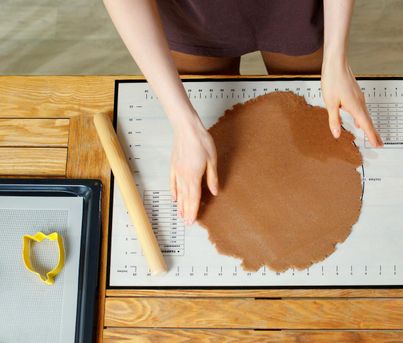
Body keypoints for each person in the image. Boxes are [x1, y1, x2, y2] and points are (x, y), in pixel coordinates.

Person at [103, 0, 383, 225]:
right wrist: (184, 124)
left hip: (293, 8)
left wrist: (336, 58)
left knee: (308, 122)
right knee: (210, 127)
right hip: (194, 11)